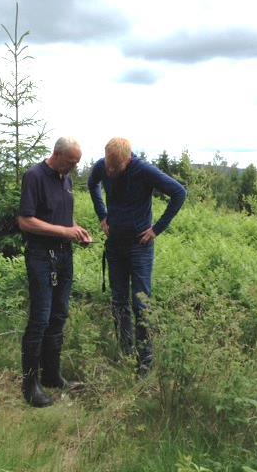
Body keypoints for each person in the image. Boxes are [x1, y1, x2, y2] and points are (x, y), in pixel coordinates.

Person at [87, 137, 186, 376]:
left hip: (139, 247)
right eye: (107, 165)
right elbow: (93, 184)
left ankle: (145, 361)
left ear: (128, 160)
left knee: (141, 302)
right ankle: (125, 352)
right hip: (115, 246)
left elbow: (179, 193)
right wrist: (103, 215)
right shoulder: (103, 165)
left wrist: (156, 229)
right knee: (119, 300)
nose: (109, 171)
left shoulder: (143, 171)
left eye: (115, 167)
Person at [17, 137, 92, 407]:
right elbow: (26, 220)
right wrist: (64, 231)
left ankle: (51, 376)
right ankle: (30, 385)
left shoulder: (66, 179)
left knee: (59, 315)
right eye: (71, 161)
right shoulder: (34, 176)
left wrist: (77, 231)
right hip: (40, 257)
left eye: (77, 163)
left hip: (64, 256)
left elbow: (62, 217)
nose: (74, 167)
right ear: (57, 154)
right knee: (40, 318)